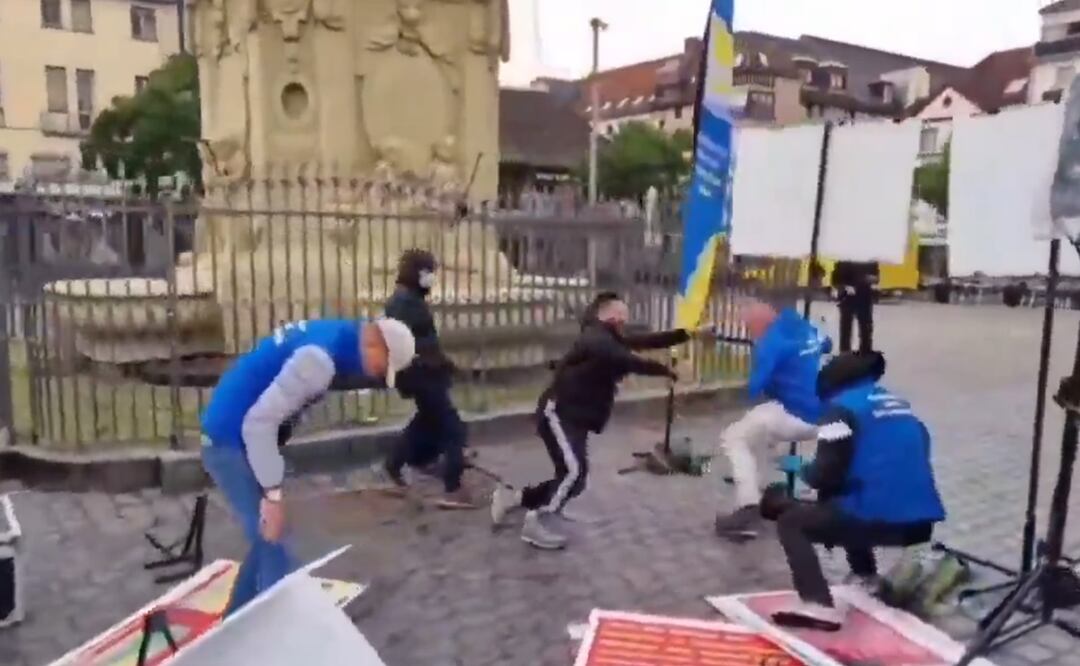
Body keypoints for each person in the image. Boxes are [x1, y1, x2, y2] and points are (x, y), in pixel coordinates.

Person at [200, 317, 416, 615]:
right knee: (276, 544)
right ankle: (275, 635)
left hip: (234, 432)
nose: (380, 375)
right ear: (376, 343)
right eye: (385, 366)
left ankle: (236, 619)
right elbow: (258, 424)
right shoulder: (319, 361)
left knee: (269, 536)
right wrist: (272, 496)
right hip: (230, 440)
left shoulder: (336, 333)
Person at [490, 292, 691, 550]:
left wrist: (686, 334)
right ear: (603, 314)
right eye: (619, 311)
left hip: (577, 416)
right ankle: (538, 521)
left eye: (625, 312)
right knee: (573, 472)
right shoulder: (595, 338)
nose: (624, 316)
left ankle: (514, 499)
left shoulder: (610, 337)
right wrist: (667, 371)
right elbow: (624, 360)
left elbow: (645, 341)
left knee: (576, 476)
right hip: (560, 413)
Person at [765, 351, 946, 631]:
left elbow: (824, 475)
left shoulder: (838, 411)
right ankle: (866, 577)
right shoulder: (899, 405)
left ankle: (818, 604)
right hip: (921, 526)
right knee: (848, 499)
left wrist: (798, 466)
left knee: (792, 522)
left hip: (880, 520)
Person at [713, 301, 832, 542]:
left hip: (796, 414)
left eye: (750, 326)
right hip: (823, 413)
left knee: (733, 437)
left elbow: (754, 388)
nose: (749, 331)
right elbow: (827, 344)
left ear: (761, 323)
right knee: (759, 434)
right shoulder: (803, 327)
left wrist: (762, 356)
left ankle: (748, 508)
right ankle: (768, 491)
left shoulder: (771, 344)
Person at [382, 249, 475, 509]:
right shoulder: (403, 303)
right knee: (453, 428)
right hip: (421, 375)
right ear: (418, 273)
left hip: (425, 373)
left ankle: (394, 464)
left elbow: (424, 342)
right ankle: (452, 487)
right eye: (429, 272)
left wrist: (444, 364)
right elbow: (413, 345)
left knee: (426, 422)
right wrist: (440, 363)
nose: (432, 277)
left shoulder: (408, 299)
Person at [832, 261, 879, 353]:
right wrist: (844, 287)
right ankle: (845, 353)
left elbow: (875, 278)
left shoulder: (869, 258)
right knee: (846, 327)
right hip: (847, 297)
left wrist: (867, 279)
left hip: (864, 295)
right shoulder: (844, 257)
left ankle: (865, 352)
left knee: (865, 326)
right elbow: (835, 278)